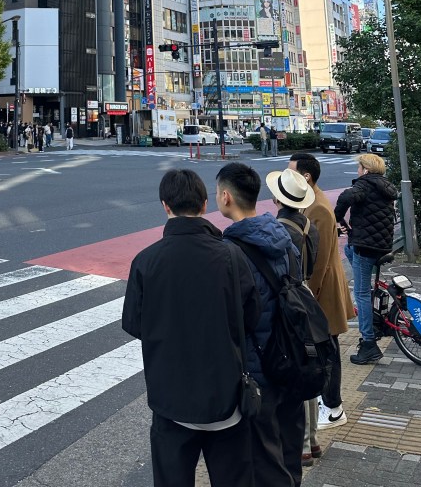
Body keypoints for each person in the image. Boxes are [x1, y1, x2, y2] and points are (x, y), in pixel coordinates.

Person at [123, 168, 260, 487]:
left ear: (165, 206)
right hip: (227, 399)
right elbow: (252, 317)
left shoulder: (146, 261)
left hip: (171, 401)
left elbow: (135, 324)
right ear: (204, 204)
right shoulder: (232, 256)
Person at [217, 162, 300, 487]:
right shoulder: (284, 239)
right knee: (289, 451)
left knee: (264, 461)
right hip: (293, 360)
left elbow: (232, 317)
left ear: (226, 197)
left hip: (258, 369)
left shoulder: (229, 252)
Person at [288, 152, 353, 433]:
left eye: (291, 171)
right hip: (320, 290)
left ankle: (334, 407)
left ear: (306, 176)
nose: (286, 176)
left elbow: (321, 260)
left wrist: (307, 297)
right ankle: (329, 401)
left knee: (328, 350)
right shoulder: (310, 201)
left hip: (323, 290)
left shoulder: (319, 208)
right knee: (326, 348)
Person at [267, 167, 320, 478]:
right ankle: (312, 439)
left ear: (277, 199)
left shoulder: (280, 230)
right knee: (308, 366)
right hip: (306, 294)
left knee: (294, 370)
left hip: (289, 301)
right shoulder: (310, 226)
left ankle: (302, 445)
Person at [335, 152, 398, 364]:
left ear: (366, 170)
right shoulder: (385, 186)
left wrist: (337, 217)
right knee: (348, 250)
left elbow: (345, 197)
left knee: (361, 294)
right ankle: (374, 316)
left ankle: (368, 343)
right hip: (382, 245)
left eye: (359, 167)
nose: (358, 171)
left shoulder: (364, 184)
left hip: (366, 247)